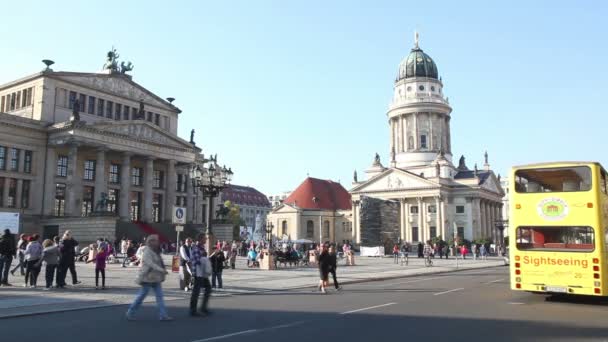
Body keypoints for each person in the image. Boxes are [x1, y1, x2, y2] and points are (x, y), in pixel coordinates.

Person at [126, 235, 172, 321]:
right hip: (147, 277)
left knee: (160, 296)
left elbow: (159, 262)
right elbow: (151, 264)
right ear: (150, 242)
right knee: (141, 296)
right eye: (155, 241)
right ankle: (130, 312)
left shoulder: (155, 251)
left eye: (157, 241)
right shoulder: (147, 251)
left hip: (156, 278)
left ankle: (163, 315)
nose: (157, 242)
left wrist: (162, 270)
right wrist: (161, 270)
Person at [189, 234, 212, 317]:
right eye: (204, 238)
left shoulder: (201, 247)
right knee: (196, 292)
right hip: (198, 273)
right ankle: (193, 310)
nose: (206, 239)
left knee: (208, 288)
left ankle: (203, 308)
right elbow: (197, 261)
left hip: (202, 273)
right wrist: (205, 260)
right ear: (200, 239)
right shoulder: (196, 248)